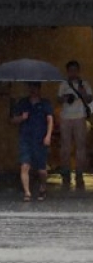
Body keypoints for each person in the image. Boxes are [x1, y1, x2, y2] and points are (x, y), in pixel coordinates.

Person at [11, 82, 54, 201]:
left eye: (35, 87)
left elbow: (50, 120)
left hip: (40, 139)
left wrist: (48, 136)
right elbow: (13, 120)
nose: (33, 90)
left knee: (42, 170)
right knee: (25, 165)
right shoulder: (23, 103)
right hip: (26, 138)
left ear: (39, 89)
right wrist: (22, 118)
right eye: (31, 87)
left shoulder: (45, 103)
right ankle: (27, 192)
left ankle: (43, 186)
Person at [57, 60, 93, 190]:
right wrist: (65, 98)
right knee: (65, 147)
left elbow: (90, 99)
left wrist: (82, 92)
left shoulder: (85, 84)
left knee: (80, 147)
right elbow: (59, 99)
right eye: (70, 70)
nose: (73, 72)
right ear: (67, 71)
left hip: (80, 117)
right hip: (66, 117)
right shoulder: (63, 84)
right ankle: (66, 172)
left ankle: (79, 173)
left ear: (78, 71)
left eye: (75, 70)